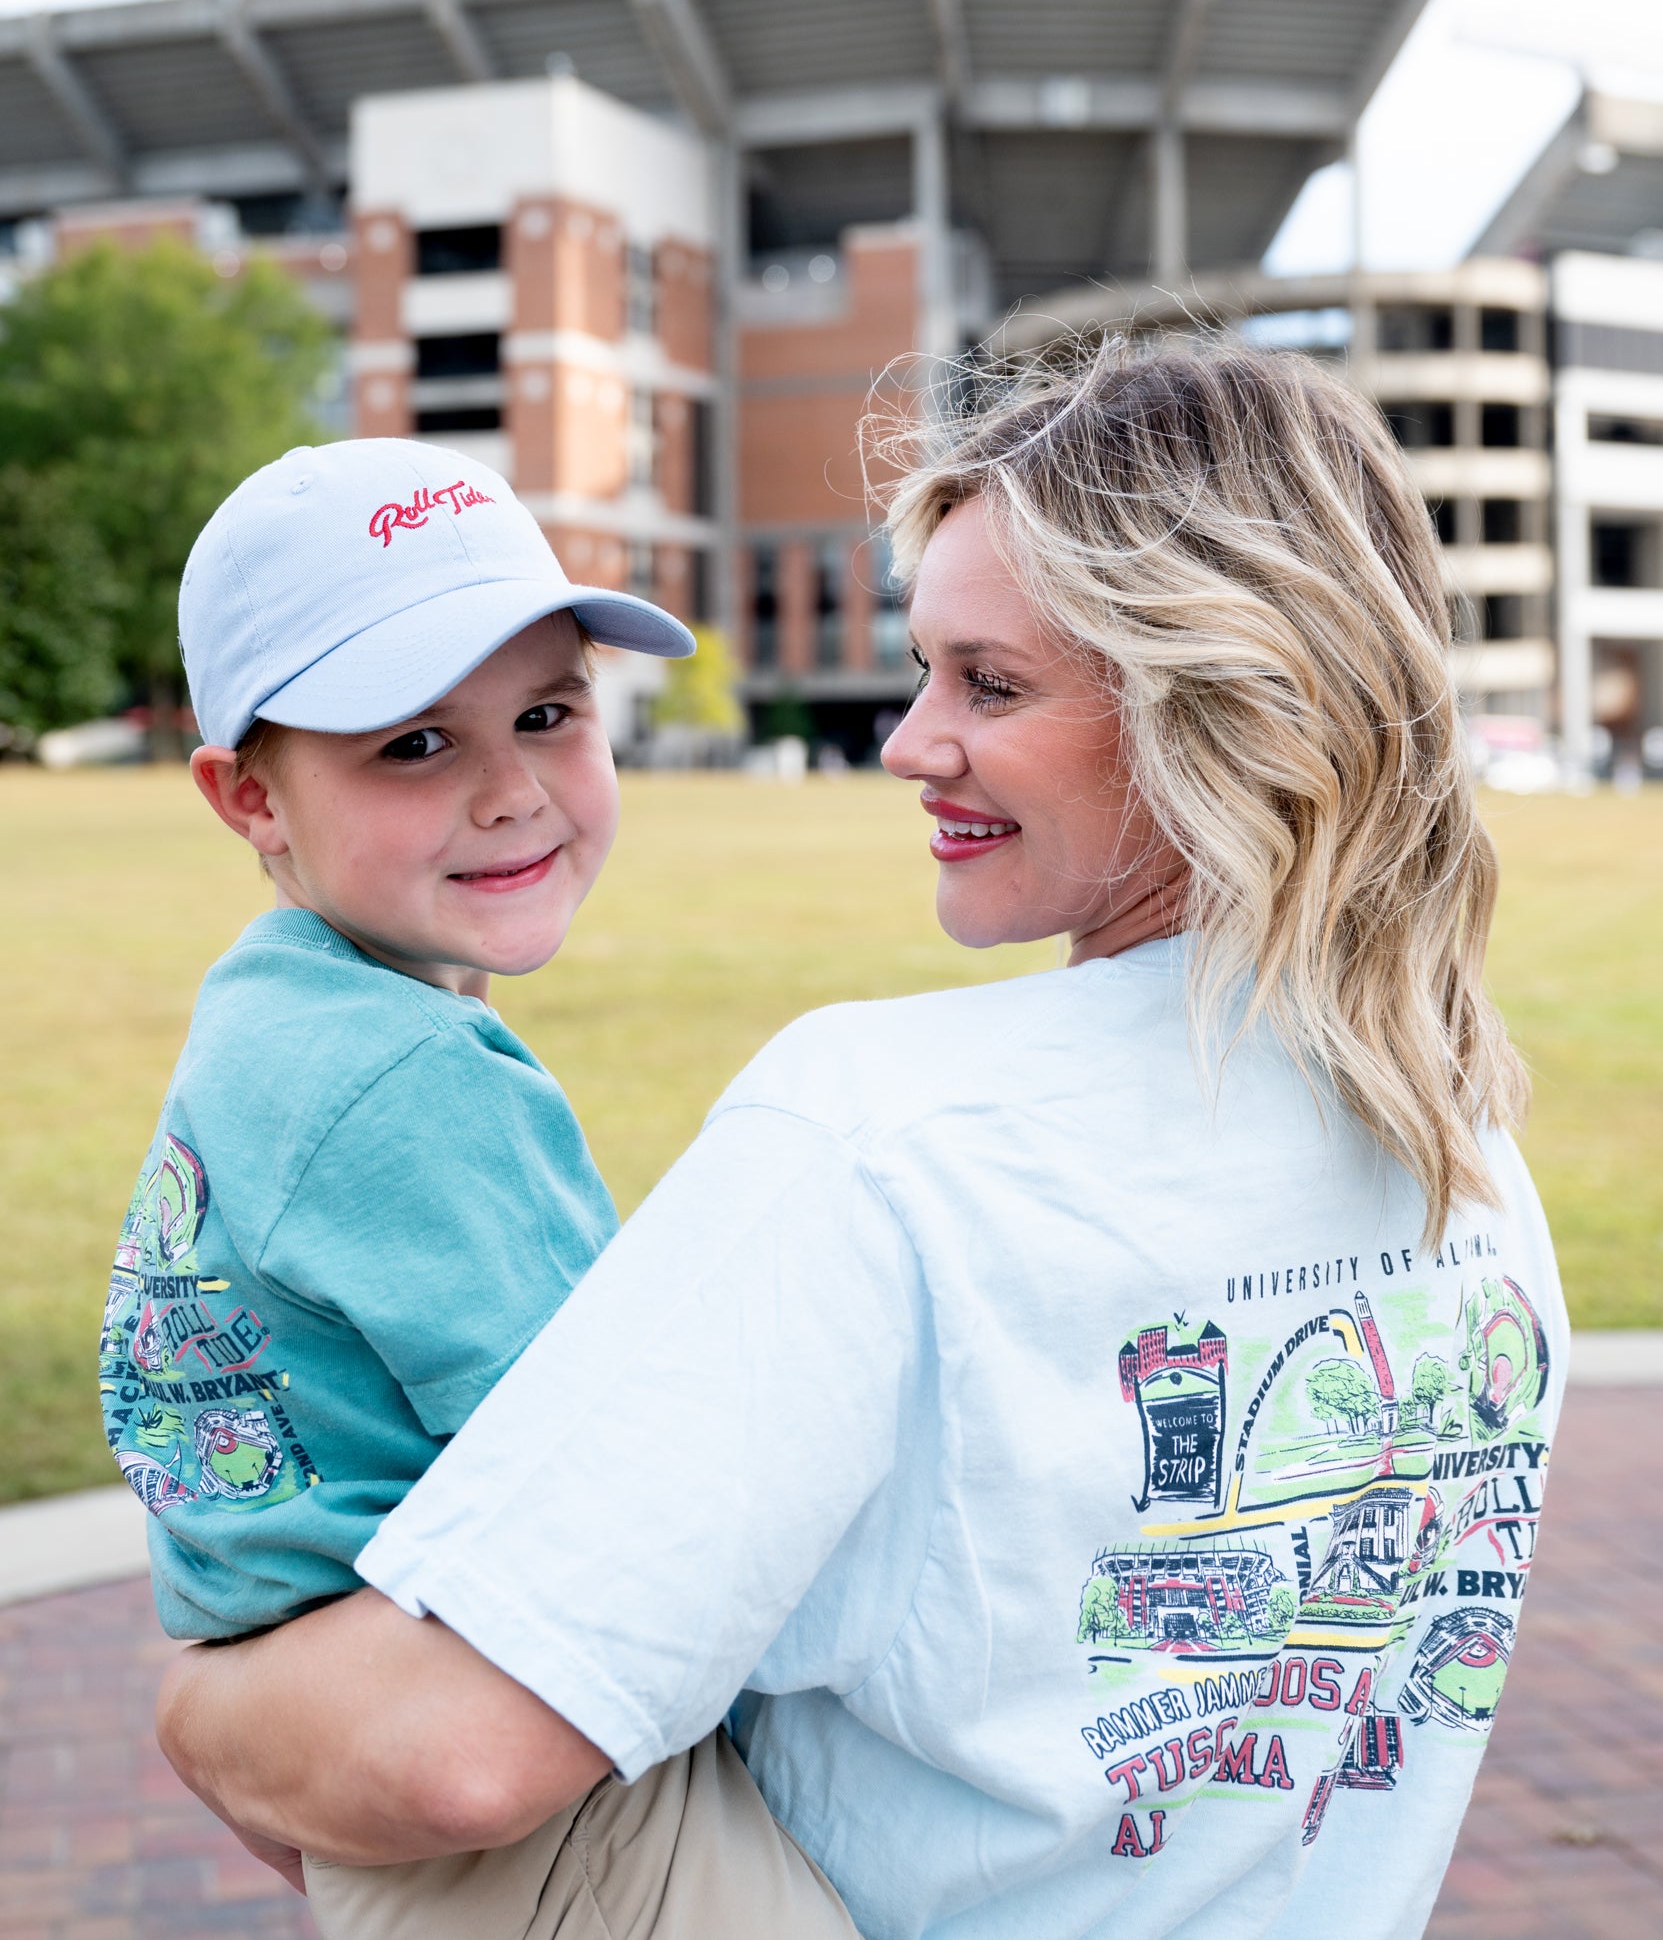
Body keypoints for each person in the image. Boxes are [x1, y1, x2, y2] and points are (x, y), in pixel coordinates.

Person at [158, 349, 1568, 1940]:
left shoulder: (875, 1141)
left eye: (991, 682)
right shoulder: (1473, 1172)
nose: (909, 741)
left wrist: (200, 1711)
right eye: (922, 669)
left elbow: (456, 1753)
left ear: (1223, 701)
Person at [101, 437, 859, 1940]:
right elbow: (629, 1464)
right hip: (534, 1792)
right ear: (249, 797)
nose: (515, 791)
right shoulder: (407, 1081)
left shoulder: (275, 1016)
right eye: (416, 745)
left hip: (366, 1759)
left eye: (546, 712)